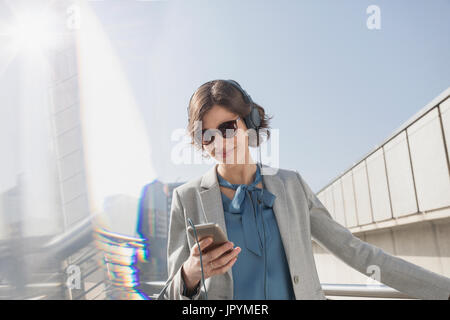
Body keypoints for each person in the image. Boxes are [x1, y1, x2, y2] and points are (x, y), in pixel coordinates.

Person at [161, 79, 450, 300]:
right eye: (206, 136)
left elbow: (358, 253)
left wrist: (442, 289)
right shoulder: (186, 198)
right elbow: (170, 293)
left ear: (248, 123)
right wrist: (189, 274)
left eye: (226, 128)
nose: (218, 144)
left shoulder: (291, 186)